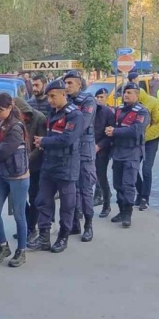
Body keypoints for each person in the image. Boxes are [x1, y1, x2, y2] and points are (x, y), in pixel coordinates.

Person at [28, 80, 83, 253]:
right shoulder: (52, 113)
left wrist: (44, 141)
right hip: (49, 164)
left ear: (63, 94)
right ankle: (44, 237)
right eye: (48, 96)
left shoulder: (75, 115)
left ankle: (63, 237)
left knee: (67, 204)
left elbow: (67, 139)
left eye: (53, 96)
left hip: (66, 165)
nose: (50, 100)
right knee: (43, 201)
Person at [0, 93, 29, 268]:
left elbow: (2, 152)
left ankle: (21, 250)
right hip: (2, 174)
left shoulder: (16, 127)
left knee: (19, 215)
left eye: (0, 110)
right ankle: (3, 246)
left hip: (18, 176)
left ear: (10, 107)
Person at [106, 83, 149, 227]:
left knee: (128, 184)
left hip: (132, 152)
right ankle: (121, 210)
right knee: (118, 184)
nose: (126, 95)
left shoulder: (142, 112)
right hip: (118, 152)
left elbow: (136, 130)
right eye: (125, 92)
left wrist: (115, 132)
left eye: (130, 93)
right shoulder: (119, 110)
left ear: (137, 95)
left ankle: (128, 214)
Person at [64, 71, 97, 241]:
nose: (67, 86)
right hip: (71, 151)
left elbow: (82, 124)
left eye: (70, 83)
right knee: (72, 191)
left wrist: (66, 130)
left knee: (85, 190)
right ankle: (74, 223)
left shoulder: (88, 100)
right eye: (66, 83)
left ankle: (88, 225)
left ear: (79, 84)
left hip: (84, 151)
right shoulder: (65, 101)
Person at [13, 97, 46, 244]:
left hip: (35, 165)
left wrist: (26, 160)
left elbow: (40, 145)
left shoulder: (39, 118)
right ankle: (26, 225)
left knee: (34, 198)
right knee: (18, 199)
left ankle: (32, 228)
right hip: (18, 165)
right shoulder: (13, 120)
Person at [133, 85, 159, 212]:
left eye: (130, 93)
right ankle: (140, 192)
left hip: (151, 140)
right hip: (136, 141)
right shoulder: (131, 104)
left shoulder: (153, 102)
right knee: (133, 168)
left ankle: (145, 198)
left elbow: (157, 123)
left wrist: (144, 136)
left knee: (146, 169)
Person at [93, 88, 115, 218]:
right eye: (97, 97)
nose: (99, 99)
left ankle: (106, 204)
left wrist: (99, 146)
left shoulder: (108, 112)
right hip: (87, 149)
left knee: (101, 178)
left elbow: (110, 135)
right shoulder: (90, 111)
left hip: (101, 150)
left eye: (102, 97)